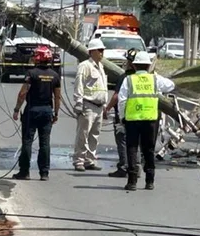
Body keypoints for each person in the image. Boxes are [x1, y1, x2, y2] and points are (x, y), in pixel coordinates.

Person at [114, 51, 174, 191]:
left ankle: (132, 181)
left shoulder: (128, 80)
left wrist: (122, 118)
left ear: (134, 66)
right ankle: (149, 181)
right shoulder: (154, 79)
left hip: (132, 120)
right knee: (149, 150)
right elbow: (171, 85)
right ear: (148, 66)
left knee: (132, 149)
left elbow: (122, 101)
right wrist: (156, 76)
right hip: (150, 120)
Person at [12, 46, 61, 181]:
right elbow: (57, 97)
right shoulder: (55, 75)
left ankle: (24, 172)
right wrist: (56, 113)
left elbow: (23, 93)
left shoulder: (31, 73)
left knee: (27, 141)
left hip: (32, 110)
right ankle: (44, 173)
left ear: (38, 58)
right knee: (45, 143)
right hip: (47, 112)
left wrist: (17, 109)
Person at [71, 38, 108, 171]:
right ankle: (79, 160)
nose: (102, 53)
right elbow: (79, 84)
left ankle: (89, 160)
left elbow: (102, 87)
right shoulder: (85, 66)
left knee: (94, 135)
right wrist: (78, 102)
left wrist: (104, 106)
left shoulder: (101, 67)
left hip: (98, 106)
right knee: (83, 134)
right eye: (100, 50)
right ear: (92, 51)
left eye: (103, 50)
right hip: (88, 105)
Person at [103, 49, 140, 178]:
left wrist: (107, 109)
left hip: (124, 116)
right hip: (140, 115)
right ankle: (136, 167)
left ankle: (124, 167)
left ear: (130, 63)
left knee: (122, 141)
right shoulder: (144, 78)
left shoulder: (125, 78)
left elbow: (116, 97)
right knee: (136, 142)